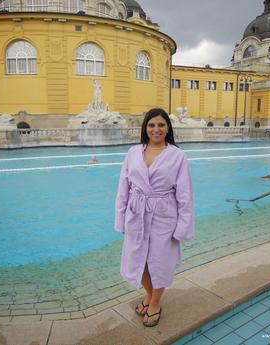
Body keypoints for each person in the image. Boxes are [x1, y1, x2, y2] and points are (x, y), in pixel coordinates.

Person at [114, 108, 195, 327]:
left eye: (161, 125)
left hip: (164, 215)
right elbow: (124, 187)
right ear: (145, 128)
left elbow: (185, 194)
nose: (156, 129)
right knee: (137, 259)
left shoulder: (177, 155)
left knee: (159, 262)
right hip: (136, 213)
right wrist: (121, 218)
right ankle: (149, 295)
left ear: (168, 127)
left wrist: (182, 226)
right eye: (151, 125)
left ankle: (155, 302)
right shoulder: (133, 152)